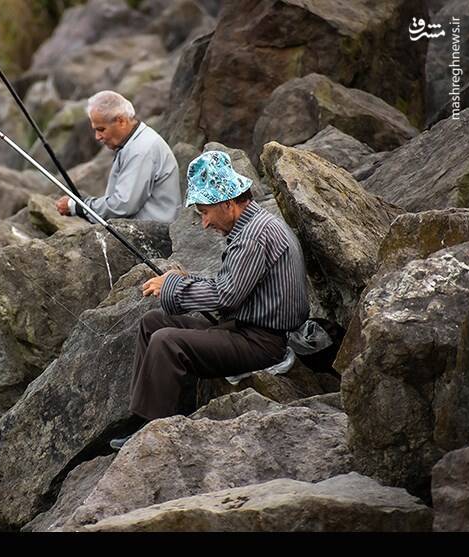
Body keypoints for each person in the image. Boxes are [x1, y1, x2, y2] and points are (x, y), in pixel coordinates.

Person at [110, 150, 310, 450]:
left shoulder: (252, 238)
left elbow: (226, 296)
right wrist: (177, 283)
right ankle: (147, 416)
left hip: (263, 343)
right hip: (243, 329)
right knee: (153, 322)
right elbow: (229, 285)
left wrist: (174, 286)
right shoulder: (253, 227)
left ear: (228, 204)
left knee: (167, 341)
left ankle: (154, 435)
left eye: (204, 211)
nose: (204, 223)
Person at [55, 90, 181, 223]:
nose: (97, 137)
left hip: (153, 235)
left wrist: (77, 207)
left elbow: (123, 205)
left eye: (101, 129)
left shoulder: (141, 149)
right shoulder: (134, 142)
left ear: (121, 121)